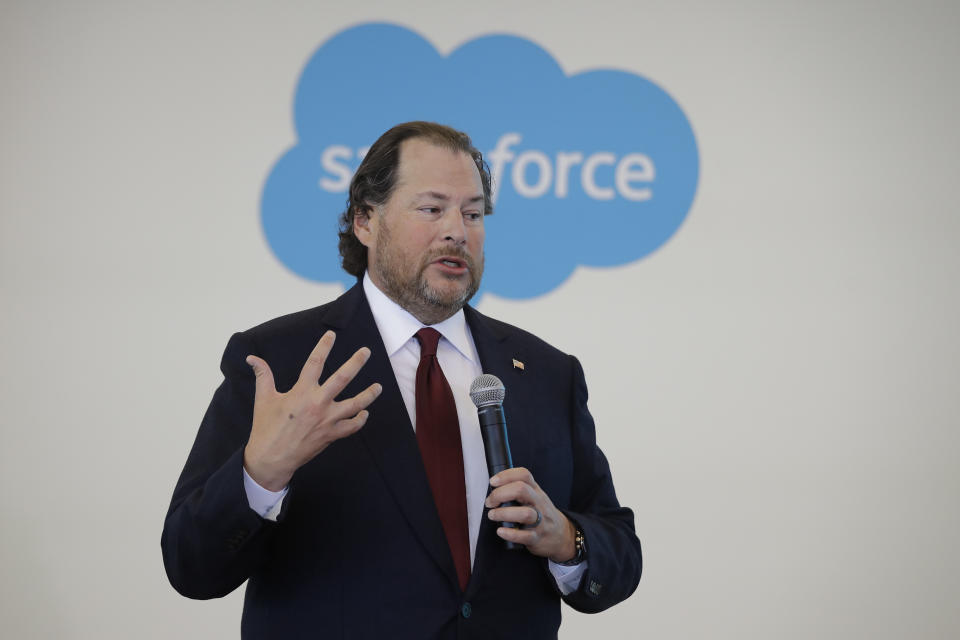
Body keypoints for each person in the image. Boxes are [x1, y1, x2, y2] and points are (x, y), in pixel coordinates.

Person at [162, 121, 641, 639]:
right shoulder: (280, 362)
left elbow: (619, 551)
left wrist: (565, 539)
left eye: (473, 213)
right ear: (365, 222)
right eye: (432, 209)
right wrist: (262, 472)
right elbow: (193, 567)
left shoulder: (546, 372)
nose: (457, 230)